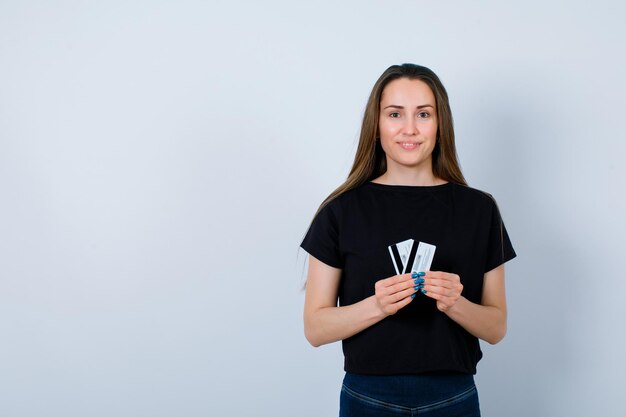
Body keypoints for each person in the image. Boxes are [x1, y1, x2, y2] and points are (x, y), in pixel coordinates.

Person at [300, 63, 516, 417]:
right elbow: (315, 328)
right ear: (377, 125)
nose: (410, 129)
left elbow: (496, 328)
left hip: (453, 397)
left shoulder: (480, 209)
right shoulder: (340, 210)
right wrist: (378, 305)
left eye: (424, 114)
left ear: (440, 124)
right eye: (395, 114)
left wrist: (455, 303)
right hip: (367, 397)